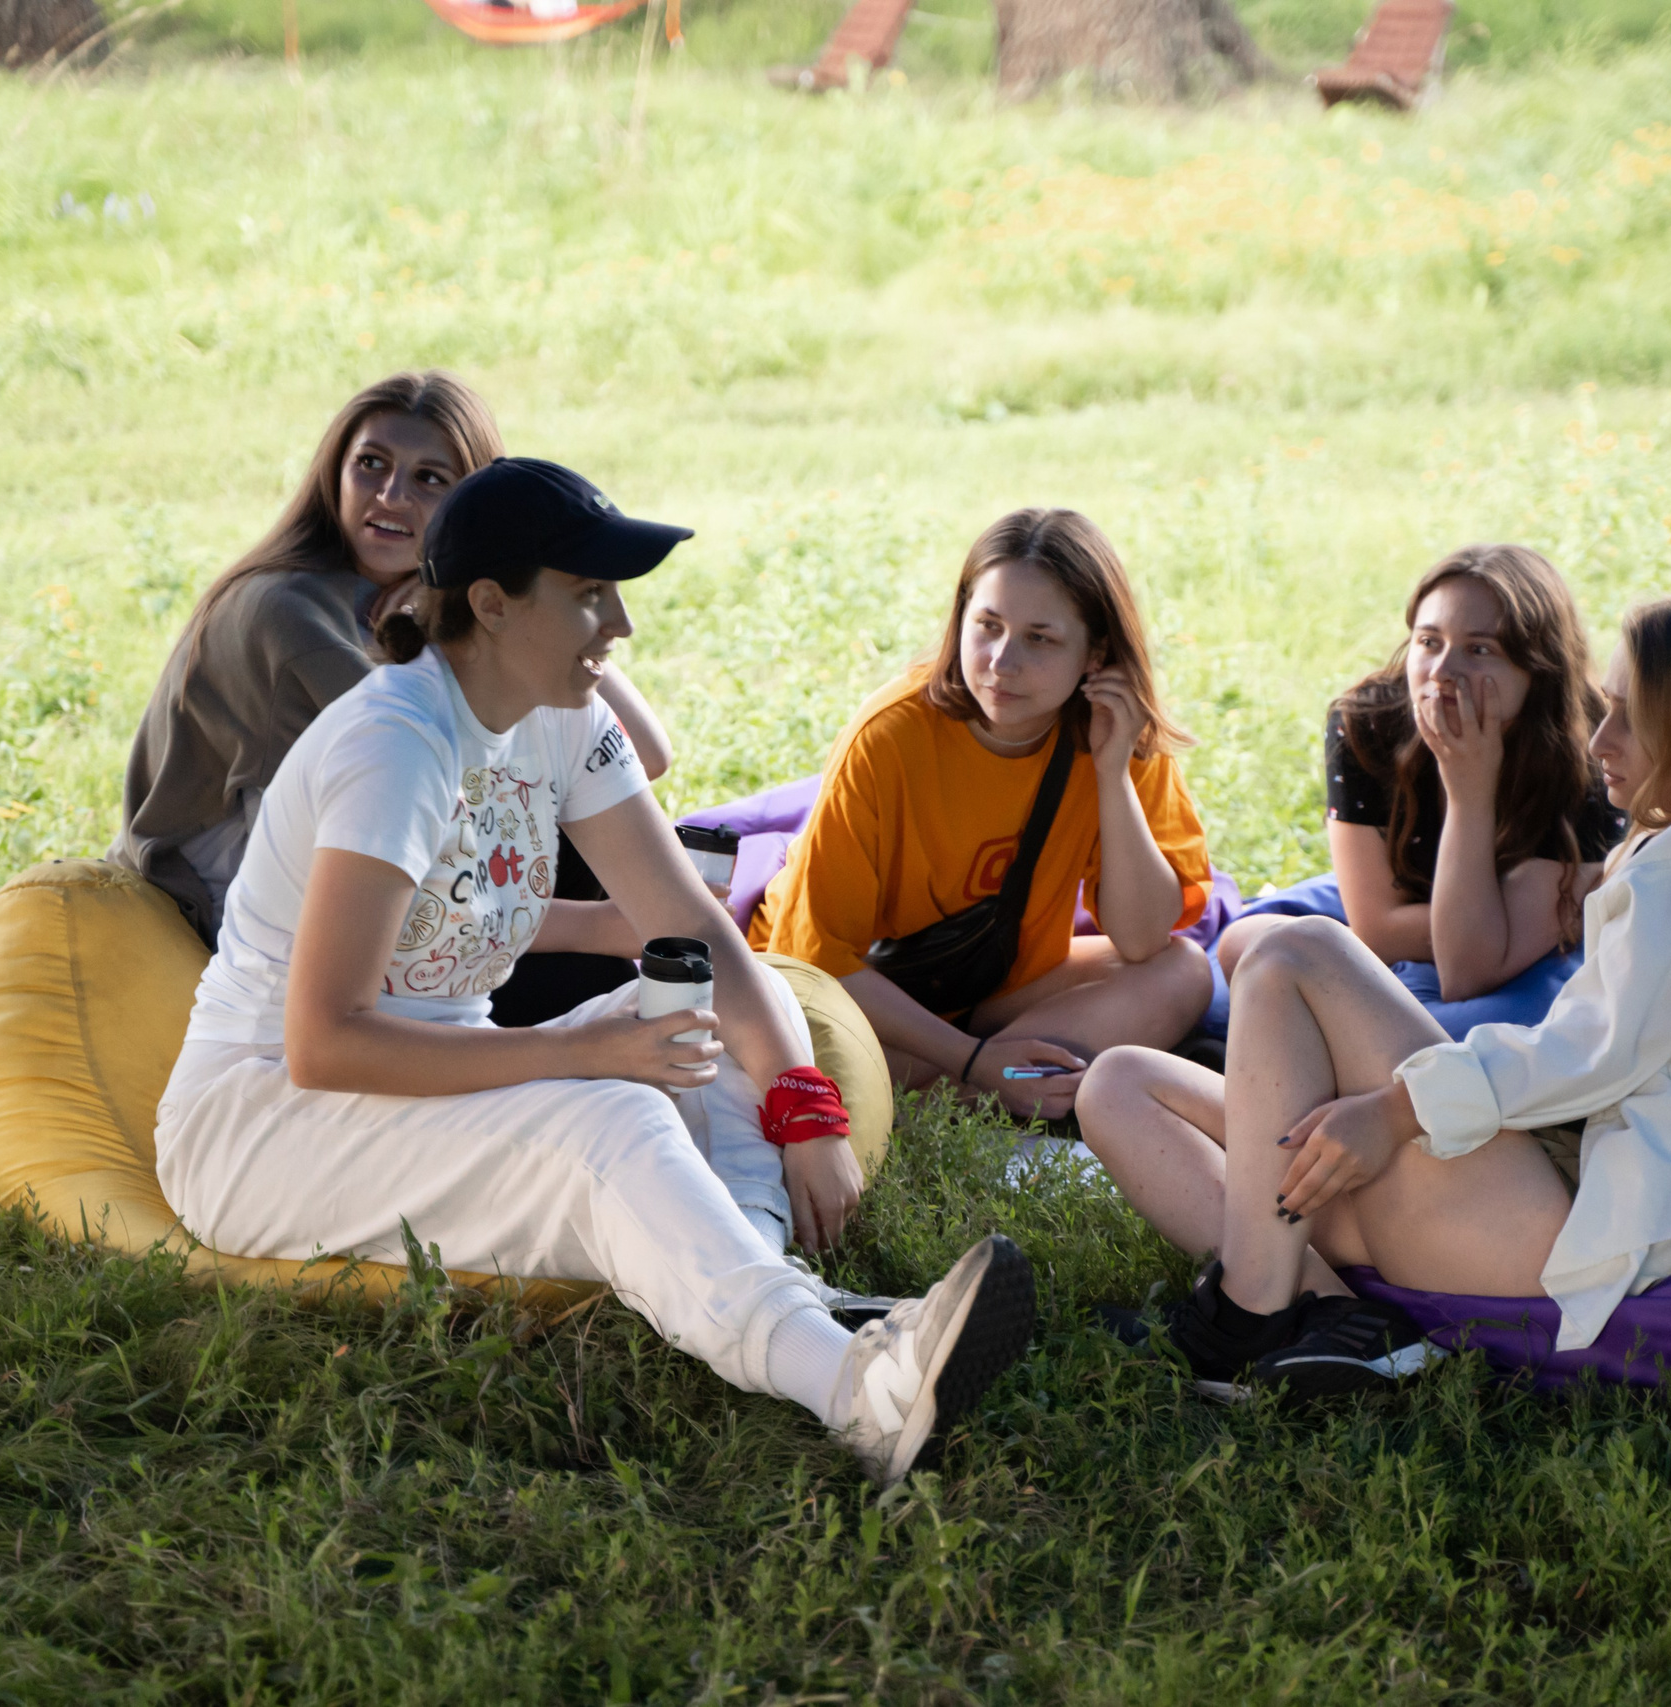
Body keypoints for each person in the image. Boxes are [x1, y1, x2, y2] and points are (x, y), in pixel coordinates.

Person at [152, 457, 1034, 1484]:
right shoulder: (394, 747)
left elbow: (691, 928)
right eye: (586, 596)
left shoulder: (564, 718)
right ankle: (857, 1393)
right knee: (609, 1115)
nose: (618, 627)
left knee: (696, 1029)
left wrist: (805, 1106)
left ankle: (772, 1299)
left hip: (429, 1071)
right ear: (490, 604)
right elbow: (326, 1042)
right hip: (263, 1123)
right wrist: (577, 1050)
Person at [1078, 582, 1671, 1399]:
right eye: (1606, 708)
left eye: (1630, 715)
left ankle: (1245, 1320)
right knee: (1118, 1085)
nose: (1602, 737)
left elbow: (1602, 1048)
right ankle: (1344, 1324)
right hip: (1527, 1192)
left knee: (1299, 951)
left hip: (1574, 1214)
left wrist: (1394, 1110)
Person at [111, 370, 678, 965]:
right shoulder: (287, 614)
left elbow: (642, 756)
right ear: (334, 471)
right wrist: (602, 926)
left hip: (374, 886)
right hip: (235, 919)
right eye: (371, 465)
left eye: (429, 479)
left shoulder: (420, 597)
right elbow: (444, 811)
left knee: (578, 823)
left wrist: (523, 587)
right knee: (558, 836)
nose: (389, 497)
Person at [747, 509, 1216, 1123]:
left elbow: (1145, 937)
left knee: (1183, 971)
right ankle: (989, 1091)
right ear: (960, 618)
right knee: (811, 1046)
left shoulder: (1113, 735)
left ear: (1096, 652)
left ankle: (963, 1094)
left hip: (994, 995)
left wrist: (1110, 771)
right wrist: (972, 1061)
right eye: (987, 625)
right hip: (862, 1000)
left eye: (1039, 638)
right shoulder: (891, 735)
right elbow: (818, 964)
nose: (1001, 661)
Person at [1207, 545, 1625, 1041]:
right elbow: (1376, 927)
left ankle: (1328, 1041)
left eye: (1480, 649)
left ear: (1537, 668)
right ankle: (1361, 1037)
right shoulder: (1368, 722)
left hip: (1531, 951)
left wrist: (1470, 791)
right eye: (1429, 641)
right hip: (1414, 902)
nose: (1442, 672)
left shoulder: (1588, 752)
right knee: (1244, 943)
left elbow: (1469, 971)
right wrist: (1465, 937)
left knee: (1503, 1029)